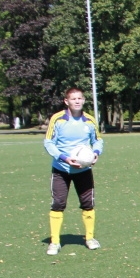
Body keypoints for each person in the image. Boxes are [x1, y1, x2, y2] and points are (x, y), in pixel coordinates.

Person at [42, 87, 103, 255]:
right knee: (58, 204)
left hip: (83, 170)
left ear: (83, 100)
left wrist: (96, 154)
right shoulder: (58, 119)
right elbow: (48, 142)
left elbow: (98, 141)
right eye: (73, 98)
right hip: (61, 169)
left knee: (88, 204)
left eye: (80, 98)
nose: (77, 101)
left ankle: (90, 238)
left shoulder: (89, 121)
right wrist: (63, 158)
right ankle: (54, 242)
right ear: (66, 101)